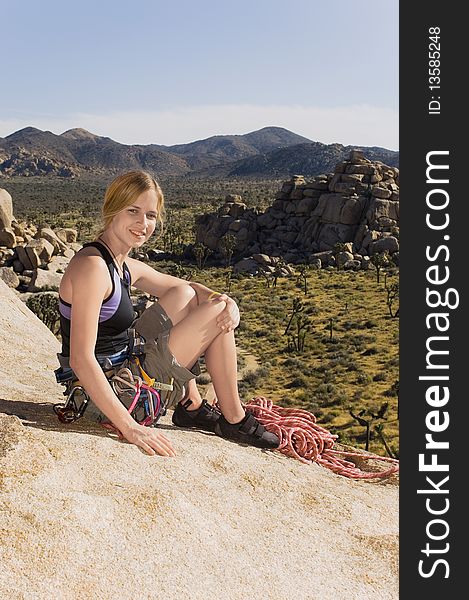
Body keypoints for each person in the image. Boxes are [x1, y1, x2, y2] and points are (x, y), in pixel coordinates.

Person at [57, 170, 279, 457]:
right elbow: (80, 359)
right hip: (114, 395)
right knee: (215, 311)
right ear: (112, 209)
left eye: (150, 215)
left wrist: (227, 301)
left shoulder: (119, 263)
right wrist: (130, 428)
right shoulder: (93, 267)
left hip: (122, 369)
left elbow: (187, 288)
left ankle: (192, 405)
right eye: (133, 211)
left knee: (186, 296)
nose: (143, 223)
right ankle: (234, 419)